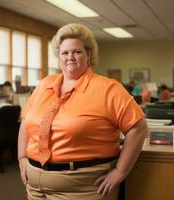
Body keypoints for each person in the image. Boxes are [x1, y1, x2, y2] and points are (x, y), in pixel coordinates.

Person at [18, 23, 148, 200]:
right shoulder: (44, 85)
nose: (70, 57)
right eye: (64, 53)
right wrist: (22, 158)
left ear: (89, 55)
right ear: (59, 58)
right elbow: (27, 121)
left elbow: (138, 128)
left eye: (76, 52)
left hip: (83, 188)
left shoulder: (108, 89)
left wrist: (120, 171)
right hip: (34, 186)